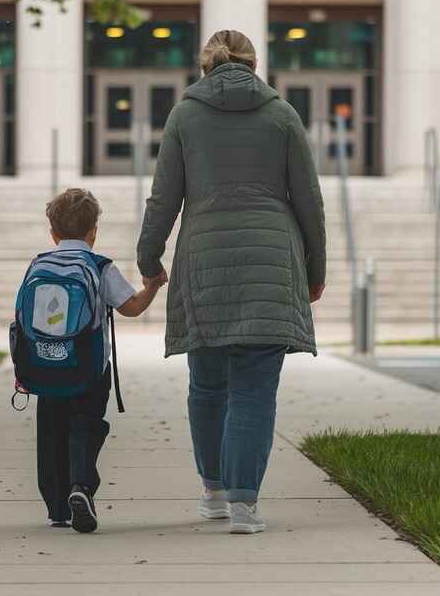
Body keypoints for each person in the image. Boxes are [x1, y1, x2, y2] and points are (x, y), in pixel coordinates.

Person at [137, 29, 326, 534]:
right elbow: (309, 199)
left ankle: (214, 493)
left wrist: (147, 256)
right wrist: (317, 269)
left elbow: (164, 198)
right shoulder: (282, 114)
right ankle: (245, 506)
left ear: (206, 66)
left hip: (205, 263)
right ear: (254, 63)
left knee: (207, 386)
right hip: (271, 262)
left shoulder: (185, 115)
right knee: (254, 391)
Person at [37, 188, 167, 533]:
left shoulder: (39, 265)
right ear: (94, 232)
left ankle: (56, 507)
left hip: (46, 366)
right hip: (88, 369)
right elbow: (131, 308)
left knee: (51, 431)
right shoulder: (99, 266)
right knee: (85, 425)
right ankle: (80, 487)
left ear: (53, 234)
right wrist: (152, 286)